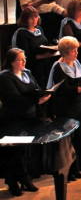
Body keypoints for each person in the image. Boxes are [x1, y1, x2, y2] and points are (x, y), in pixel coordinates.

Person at [47, 36, 81, 181]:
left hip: (77, 105)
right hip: (64, 108)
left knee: (77, 138)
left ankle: (77, 168)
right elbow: (64, 89)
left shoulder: (76, 64)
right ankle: (67, 171)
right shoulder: (59, 67)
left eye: (76, 49)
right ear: (65, 51)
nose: (77, 52)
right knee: (67, 140)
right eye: (73, 50)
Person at [0, 48, 50, 196]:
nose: (23, 62)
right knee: (13, 153)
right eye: (19, 60)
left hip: (30, 117)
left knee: (25, 152)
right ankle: (13, 182)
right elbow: (13, 100)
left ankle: (25, 179)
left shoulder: (27, 73)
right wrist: (36, 100)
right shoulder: (4, 77)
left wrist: (44, 96)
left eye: (24, 59)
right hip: (13, 119)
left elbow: (35, 89)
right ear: (11, 62)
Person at [11, 6, 57, 88]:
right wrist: (46, 55)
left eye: (36, 17)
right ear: (25, 19)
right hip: (32, 67)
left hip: (45, 64)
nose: (34, 20)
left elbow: (45, 44)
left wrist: (54, 47)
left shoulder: (39, 29)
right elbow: (26, 56)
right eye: (31, 18)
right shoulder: (22, 33)